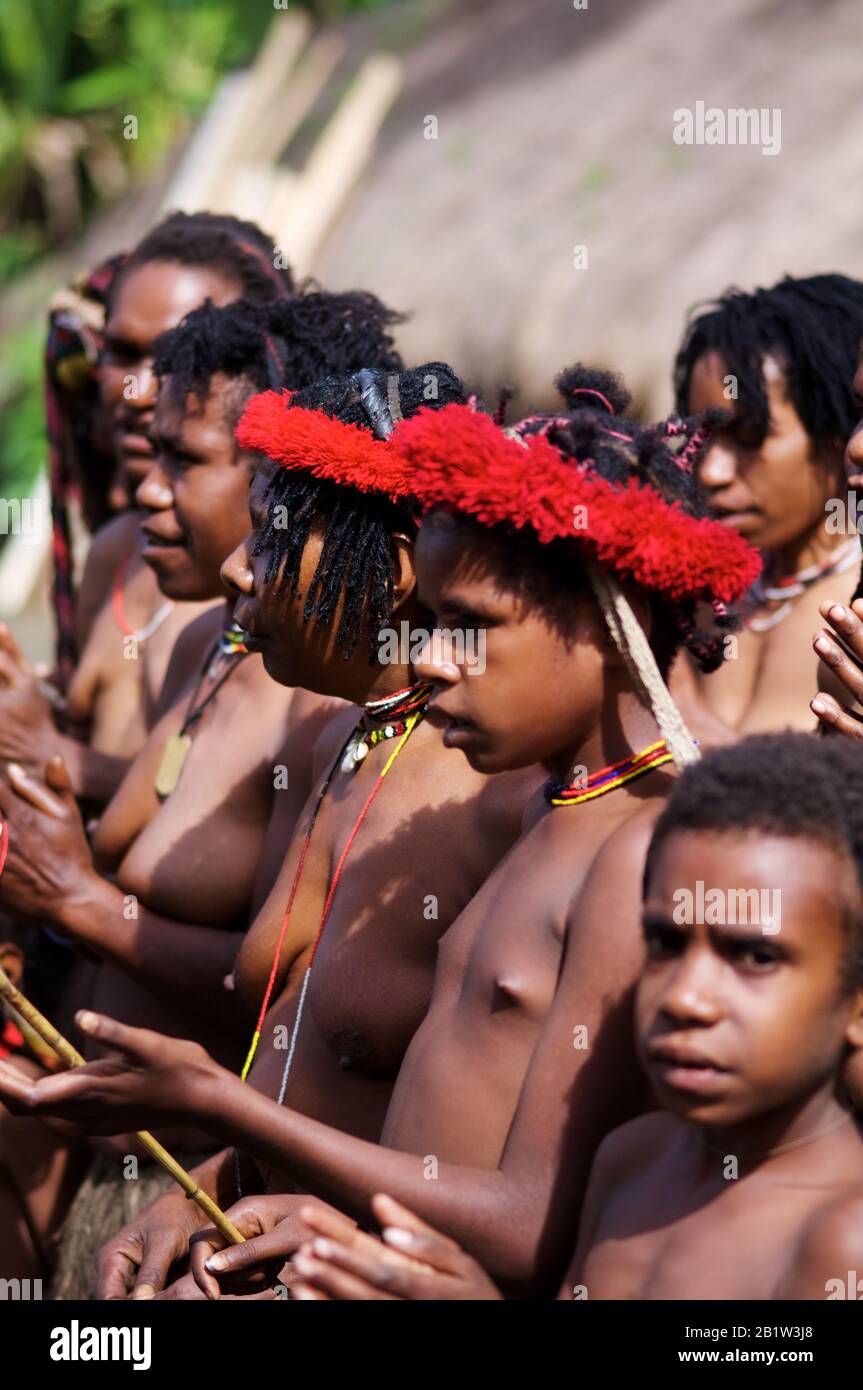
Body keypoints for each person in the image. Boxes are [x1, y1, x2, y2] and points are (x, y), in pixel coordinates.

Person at [1, 368, 760, 1299]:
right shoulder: (548, 808)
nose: (431, 660)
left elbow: (529, 1229)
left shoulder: (646, 848)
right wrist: (241, 1180)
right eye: (433, 622)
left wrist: (220, 1106)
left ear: (607, 624)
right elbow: (411, 1128)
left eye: (468, 628)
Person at [0, 286, 404, 1291]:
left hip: (228, 1210)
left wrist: (82, 903)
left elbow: (267, 996)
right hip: (146, 1182)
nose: (145, 485)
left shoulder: (325, 706)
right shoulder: (210, 640)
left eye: (186, 460)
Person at [284, 734, 863, 1301]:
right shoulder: (632, 1164)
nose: (685, 997)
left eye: (756, 957)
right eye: (664, 942)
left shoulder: (843, 1242)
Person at [0, 212, 293, 805]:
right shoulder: (119, 551)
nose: (135, 391)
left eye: (174, 355)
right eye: (121, 352)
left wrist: (40, 750)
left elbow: (218, 813)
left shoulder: (266, 587)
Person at [674, 274, 863, 734]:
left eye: (749, 436)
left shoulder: (853, 618)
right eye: (703, 437)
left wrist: (673, 690)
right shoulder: (696, 599)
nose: (711, 472)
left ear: (837, 426)